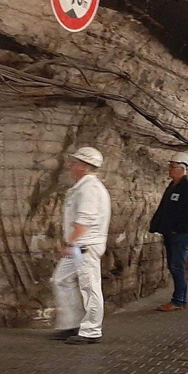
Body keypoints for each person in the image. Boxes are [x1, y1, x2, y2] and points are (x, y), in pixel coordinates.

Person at [52, 147, 111, 344]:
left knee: (90, 287)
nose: (71, 165)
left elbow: (84, 221)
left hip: (85, 247)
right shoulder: (82, 187)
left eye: (75, 162)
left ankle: (91, 331)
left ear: (85, 166)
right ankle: (71, 323)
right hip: (78, 247)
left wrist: (69, 242)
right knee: (60, 279)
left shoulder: (90, 189)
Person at [150, 152, 188, 312]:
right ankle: (179, 299)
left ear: (182, 169)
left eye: (173, 166)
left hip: (180, 234)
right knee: (174, 265)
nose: (169, 169)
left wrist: (176, 230)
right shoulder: (172, 186)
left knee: (177, 266)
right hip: (171, 233)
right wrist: (157, 226)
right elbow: (164, 209)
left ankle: (178, 300)